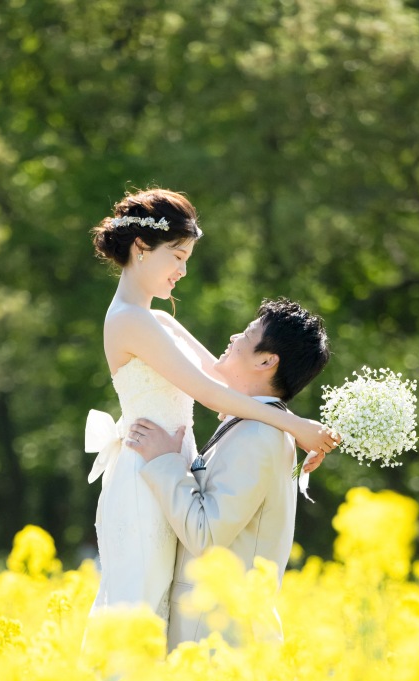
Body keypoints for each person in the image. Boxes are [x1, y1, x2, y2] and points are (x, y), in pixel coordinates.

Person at [86, 187, 339, 626]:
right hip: (146, 475)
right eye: (178, 256)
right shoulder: (129, 319)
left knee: (160, 617)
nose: (183, 271)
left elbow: (224, 377)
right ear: (143, 248)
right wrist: (295, 425)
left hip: (169, 469)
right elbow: (209, 394)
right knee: (140, 613)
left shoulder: (158, 319)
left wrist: (292, 420)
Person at [126, 298, 332, 650]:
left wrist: (164, 461)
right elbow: (167, 327)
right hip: (215, 634)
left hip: (217, 639)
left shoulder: (258, 436)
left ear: (266, 360)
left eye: (248, 334)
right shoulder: (253, 427)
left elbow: (207, 535)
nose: (235, 337)